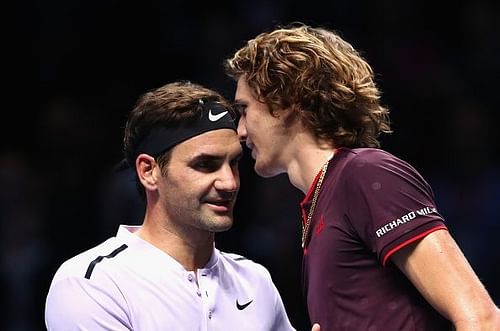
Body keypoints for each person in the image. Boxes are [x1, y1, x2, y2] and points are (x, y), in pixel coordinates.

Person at [225, 23, 500, 330]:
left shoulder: (365, 172)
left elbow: (481, 318)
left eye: (245, 109)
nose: (241, 132)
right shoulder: (320, 201)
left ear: (286, 101)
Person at [45, 81, 299, 330]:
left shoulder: (255, 281)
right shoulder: (92, 282)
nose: (229, 183)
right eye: (205, 164)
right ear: (149, 171)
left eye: (233, 163)